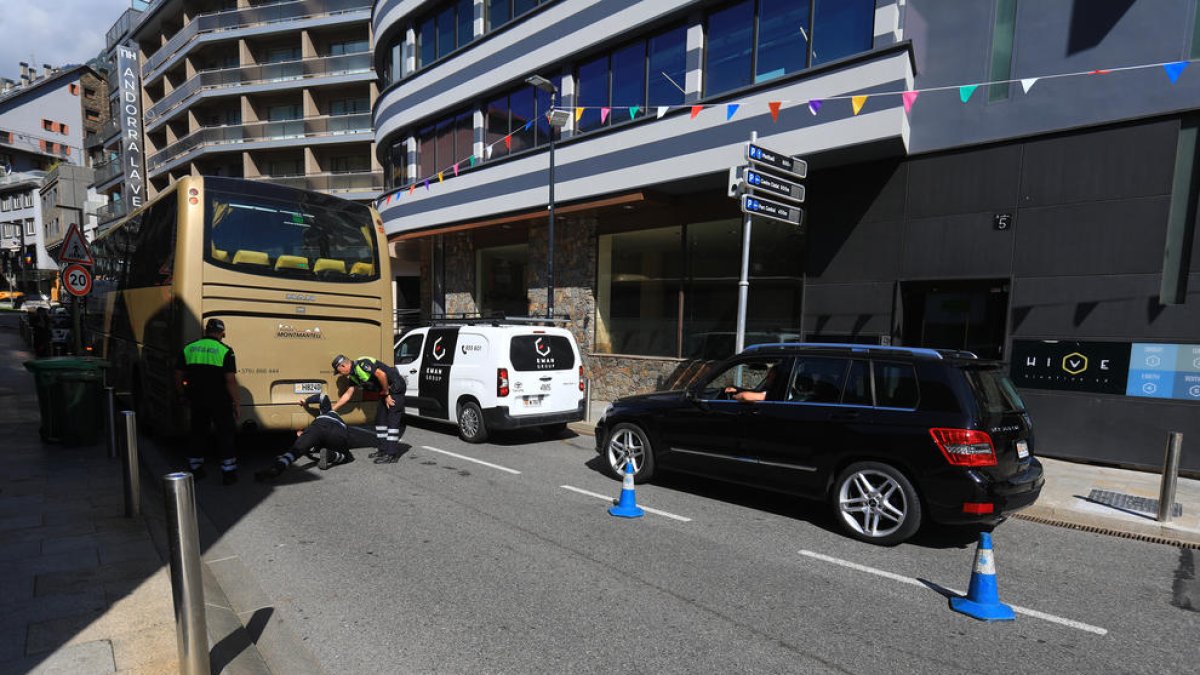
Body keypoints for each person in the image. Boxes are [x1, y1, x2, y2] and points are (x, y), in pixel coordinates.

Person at [175, 318, 240, 485]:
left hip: (196, 400)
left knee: (197, 432)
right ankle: (228, 472)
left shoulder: (189, 348)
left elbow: (178, 375)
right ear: (222, 333)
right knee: (225, 434)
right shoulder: (225, 351)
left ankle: (195, 469)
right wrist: (237, 404)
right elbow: (230, 381)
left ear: (205, 331)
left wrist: (182, 394)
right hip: (220, 401)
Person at [255, 393, 354, 482]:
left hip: (318, 427)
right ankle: (331, 455)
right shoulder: (335, 416)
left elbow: (323, 396)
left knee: (295, 451)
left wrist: (306, 401)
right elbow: (323, 396)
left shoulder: (327, 411)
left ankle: (277, 467)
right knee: (346, 457)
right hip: (339, 431)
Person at [331, 354, 406, 464]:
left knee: (392, 420)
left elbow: (381, 375)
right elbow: (347, 395)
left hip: (395, 387)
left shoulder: (362, 364)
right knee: (380, 420)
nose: (340, 374)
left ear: (343, 366)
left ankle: (391, 454)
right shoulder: (353, 376)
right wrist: (333, 409)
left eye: (339, 371)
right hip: (385, 391)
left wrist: (387, 394)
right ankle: (383, 450)